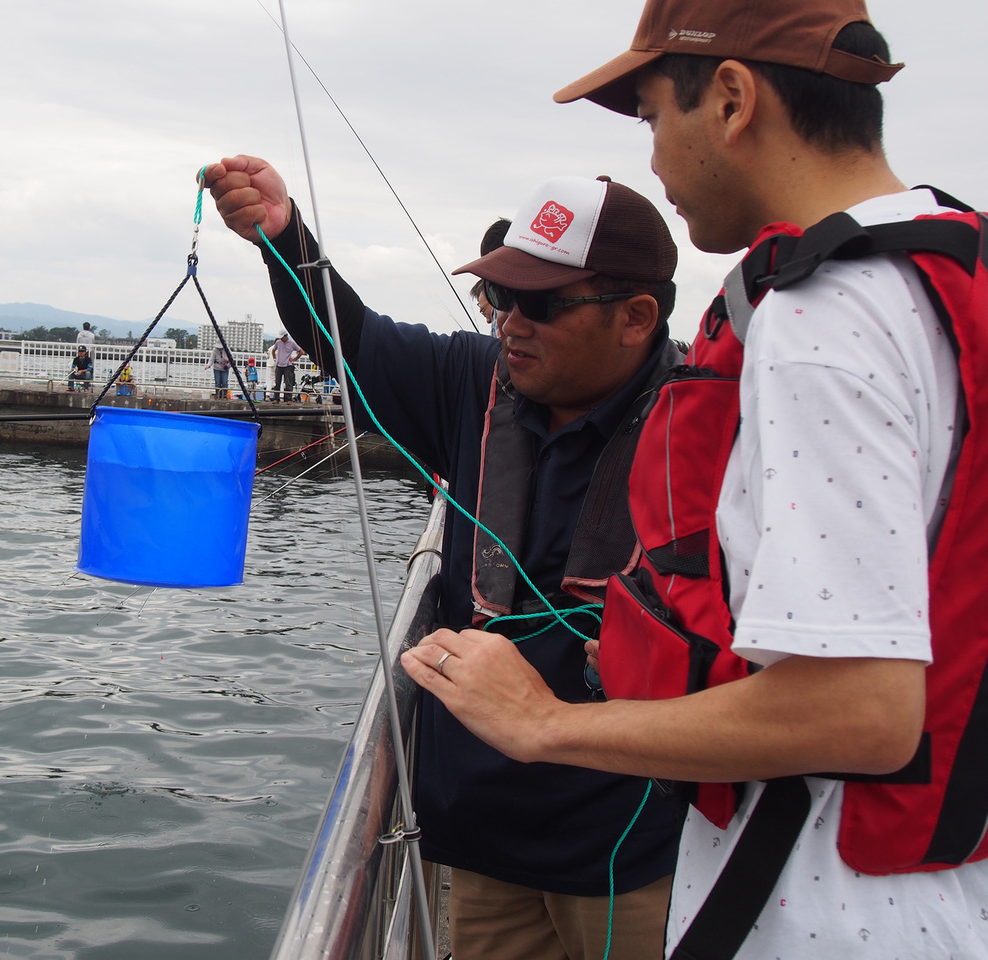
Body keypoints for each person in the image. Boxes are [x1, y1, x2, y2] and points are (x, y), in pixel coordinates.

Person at [402, 1, 988, 957]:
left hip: (820, 912)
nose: (657, 164)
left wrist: (545, 724)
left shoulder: (820, 316)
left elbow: (860, 710)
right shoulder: (944, 267)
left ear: (729, 98)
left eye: (650, 120)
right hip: (938, 896)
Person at [207, 157, 685, 960]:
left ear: (636, 316)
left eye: (538, 302)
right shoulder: (471, 381)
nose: (508, 322)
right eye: (500, 297)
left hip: (634, 853)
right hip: (478, 838)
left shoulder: (711, 428)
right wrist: (284, 238)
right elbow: (348, 337)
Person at [270, 332, 303, 402]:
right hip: (279, 365)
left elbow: (301, 352)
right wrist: (275, 359)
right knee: (277, 382)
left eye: (282, 337)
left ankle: (289, 399)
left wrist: (294, 359)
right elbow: (273, 350)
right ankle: (276, 398)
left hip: (288, 365)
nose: (281, 339)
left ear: (286, 336)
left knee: (288, 383)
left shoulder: (292, 343)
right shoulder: (278, 342)